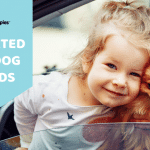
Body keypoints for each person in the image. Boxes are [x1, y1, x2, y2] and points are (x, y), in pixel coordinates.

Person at [14, 0, 150, 149]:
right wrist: (26, 142)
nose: (120, 81)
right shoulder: (48, 90)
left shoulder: (126, 106)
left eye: (134, 74)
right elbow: (23, 97)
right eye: (111, 66)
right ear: (88, 59)